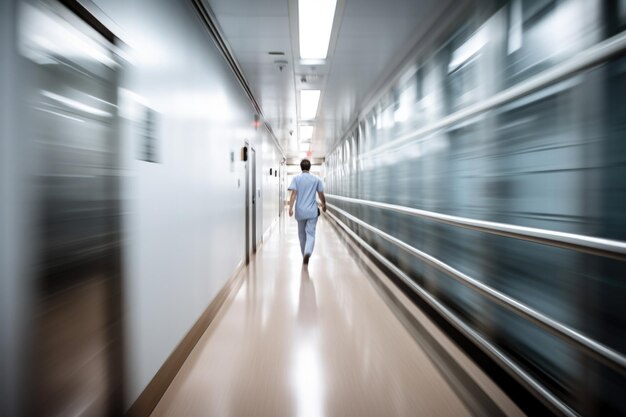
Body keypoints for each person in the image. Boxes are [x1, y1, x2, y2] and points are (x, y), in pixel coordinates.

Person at [288, 159, 327, 265]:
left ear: (301, 167)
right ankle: (308, 252)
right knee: (310, 233)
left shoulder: (296, 178)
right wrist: (324, 204)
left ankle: (303, 254)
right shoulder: (316, 179)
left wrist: (290, 208)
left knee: (301, 234)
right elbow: (320, 194)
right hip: (312, 212)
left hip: (300, 211)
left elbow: (293, 194)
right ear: (310, 167)